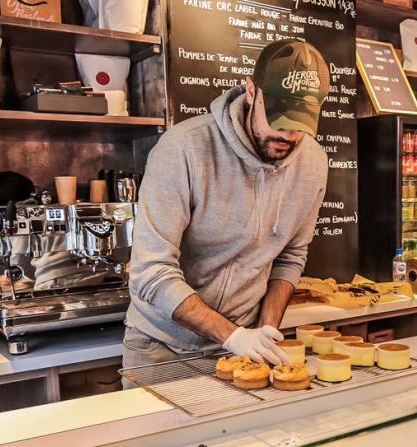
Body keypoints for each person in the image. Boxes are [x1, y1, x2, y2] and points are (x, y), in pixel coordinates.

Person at [122, 39, 330, 374]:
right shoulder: (183, 149)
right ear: (251, 91)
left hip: (242, 349)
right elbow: (151, 272)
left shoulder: (314, 164)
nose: (289, 135)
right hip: (160, 347)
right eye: (278, 117)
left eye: (301, 123)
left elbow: (290, 256)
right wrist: (232, 336)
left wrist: (263, 334)